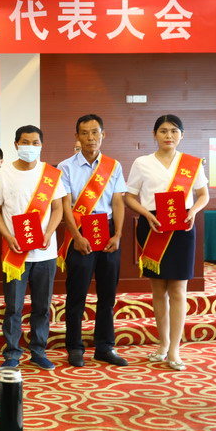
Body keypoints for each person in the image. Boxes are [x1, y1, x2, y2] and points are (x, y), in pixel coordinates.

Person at [124, 114, 208, 371]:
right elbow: (129, 196)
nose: (168, 135)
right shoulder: (142, 162)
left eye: (173, 131)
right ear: (154, 134)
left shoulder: (191, 163)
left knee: (179, 290)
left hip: (182, 227)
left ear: (182, 135)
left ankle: (175, 349)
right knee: (158, 290)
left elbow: (203, 195)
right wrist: (146, 214)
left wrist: (193, 211)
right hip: (154, 226)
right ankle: (163, 344)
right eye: (163, 130)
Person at [0, 125, 65, 370]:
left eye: (35, 143)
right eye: (25, 142)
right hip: (15, 251)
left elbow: (58, 208)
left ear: (41, 146)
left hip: (45, 252)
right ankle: (12, 353)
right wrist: (7, 235)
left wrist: (49, 232)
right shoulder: (3, 174)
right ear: (16, 145)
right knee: (14, 306)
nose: (30, 147)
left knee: (42, 306)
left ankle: (38, 351)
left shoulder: (50, 174)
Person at [57, 115, 128, 368]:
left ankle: (104, 347)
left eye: (95, 132)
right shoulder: (65, 167)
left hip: (107, 231)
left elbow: (118, 201)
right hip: (80, 231)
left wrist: (118, 234)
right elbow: (65, 205)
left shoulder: (113, 166)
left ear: (103, 134)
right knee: (76, 294)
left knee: (107, 294)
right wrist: (76, 236)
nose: (90, 138)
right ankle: (74, 347)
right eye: (85, 133)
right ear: (77, 136)